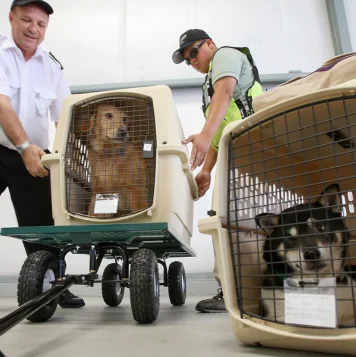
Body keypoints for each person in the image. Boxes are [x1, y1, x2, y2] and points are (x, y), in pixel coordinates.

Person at [0, 0, 84, 308]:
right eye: (27, 21)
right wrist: (23, 147)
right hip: (15, 148)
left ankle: (54, 285)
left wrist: (69, 158)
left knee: (43, 227)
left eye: (41, 24)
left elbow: (64, 117)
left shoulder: (51, 67)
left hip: (34, 155)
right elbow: (2, 105)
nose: (33, 29)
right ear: (11, 18)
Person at [172, 29, 263, 313]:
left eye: (194, 52)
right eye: (187, 60)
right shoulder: (208, 84)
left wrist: (202, 133)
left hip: (255, 147)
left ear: (210, 44)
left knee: (236, 220)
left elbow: (224, 95)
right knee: (227, 219)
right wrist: (207, 171)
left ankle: (238, 292)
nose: (192, 61)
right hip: (239, 153)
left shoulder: (225, 56)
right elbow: (221, 127)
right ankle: (237, 290)